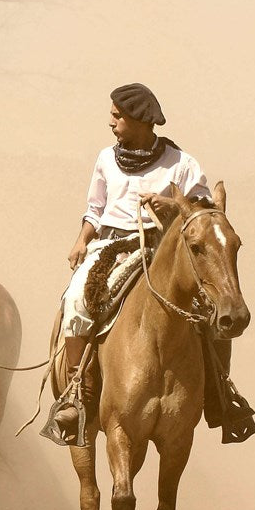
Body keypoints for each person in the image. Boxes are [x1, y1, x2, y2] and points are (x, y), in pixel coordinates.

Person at [52, 82, 210, 442]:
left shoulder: (181, 163)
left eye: (116, 116)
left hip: (162, 250)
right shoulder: (106, 158)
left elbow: (203, 209)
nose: (111, 123)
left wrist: (171, 206)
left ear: (139, 119)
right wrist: (81, 240)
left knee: (209, 309)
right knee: (75, 300)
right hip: (111, 247)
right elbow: (94, 210)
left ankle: (220, 394)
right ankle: (76, 393)